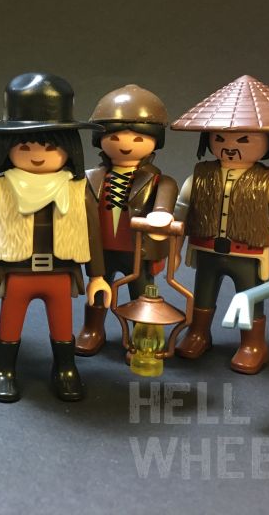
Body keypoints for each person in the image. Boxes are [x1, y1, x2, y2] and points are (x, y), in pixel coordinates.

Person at [0, 73, 110, 402]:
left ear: (68, 149)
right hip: (17, 272)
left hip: (60, 272)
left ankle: (65, 368)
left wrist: (98, 276)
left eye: (50, 146)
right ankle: (4, 368)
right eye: (25, 146)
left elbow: (93, 234)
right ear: (7, 149)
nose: (37, 155)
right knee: (10, 323)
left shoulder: (78, 192)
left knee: (62, 325)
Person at [171, 75, 269, 373]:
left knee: (250, 299)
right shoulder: (196, 179)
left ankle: (253, 344)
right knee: (203, 295)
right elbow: (180, 219)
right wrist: (172, 251)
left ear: (268, 142)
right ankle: (198, 333)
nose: (229, 146)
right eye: (219, 138)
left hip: (248, 256)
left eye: (243, 139)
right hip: (207, 252)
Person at [75, 84, 178, 357]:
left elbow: (164, 205)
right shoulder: (90, 178)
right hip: (100, 250)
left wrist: (161, 214)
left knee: (142, 294)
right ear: (100, 139)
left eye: (138, 138)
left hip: (137, 252)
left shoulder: (160, 181)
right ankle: (93, 329)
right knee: (97, 289)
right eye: (115, 137)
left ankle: (142, 337)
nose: (125, 144)